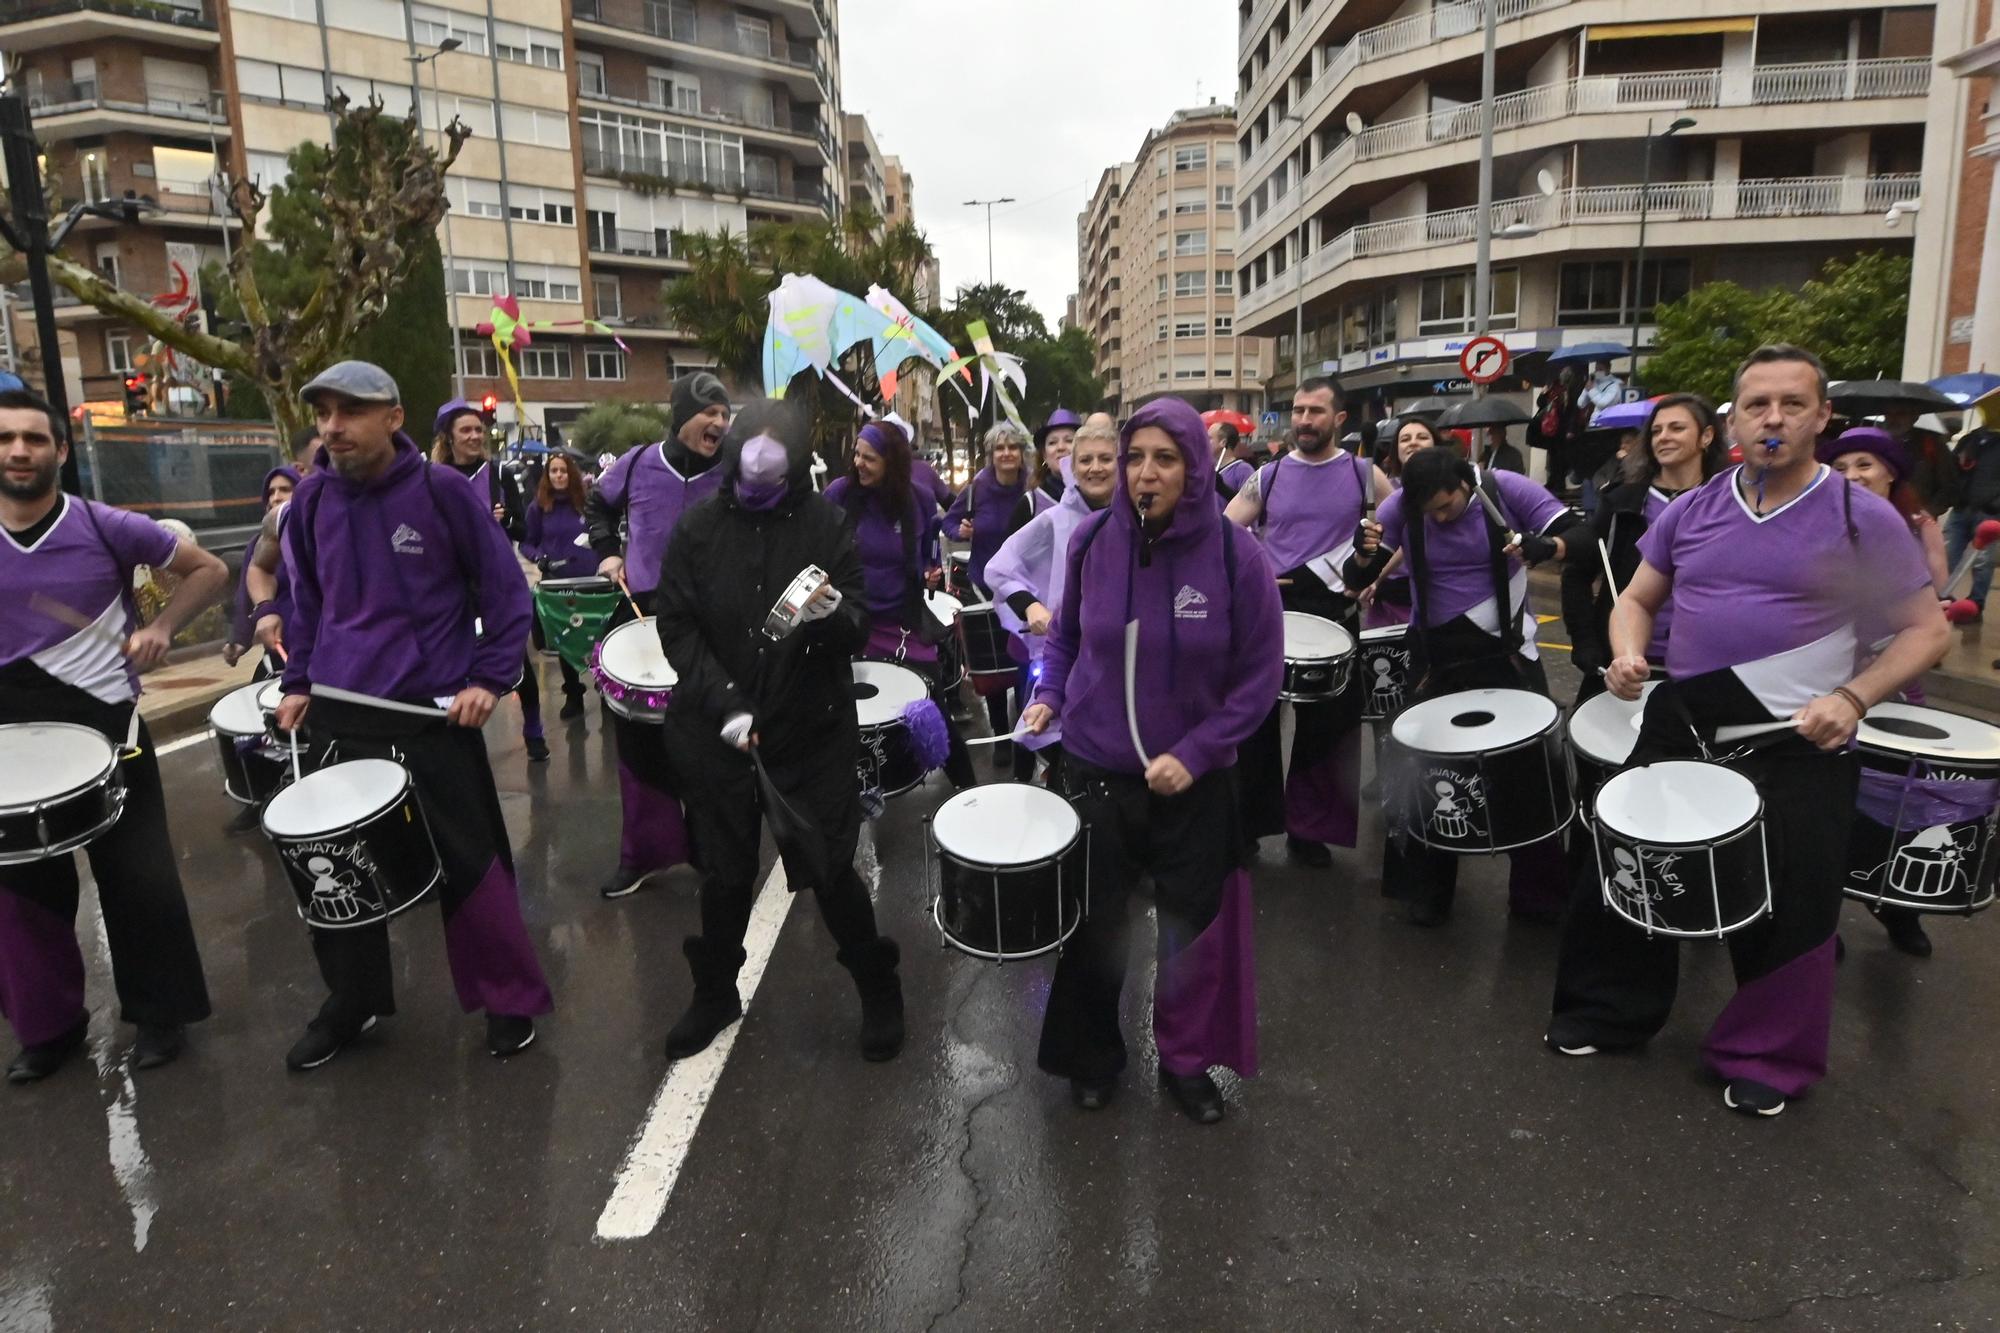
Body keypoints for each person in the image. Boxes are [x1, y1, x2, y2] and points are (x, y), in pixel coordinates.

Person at [1546, 345, 1949, 1118]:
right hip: (1685, 718)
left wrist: (1855, 699)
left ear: (1822, 417)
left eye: (1792, 404)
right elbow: (1635, 597)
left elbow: (1925, 632)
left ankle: (1766, 1051)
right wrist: (1628, 649)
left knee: (1793, 898)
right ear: (1733, 417)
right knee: (1630, 863)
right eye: (1757, 403)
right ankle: (1607, 1010)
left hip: (1800, 732)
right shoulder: (1694, 509)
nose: (1773, 418)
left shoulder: (1859, 514)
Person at [274, 361, 554, 1069]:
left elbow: (505, 590)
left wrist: (491, 678)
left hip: (434, 719)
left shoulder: (444, 493)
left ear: (393, 416)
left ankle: (507, 997)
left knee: (473, 865)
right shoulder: (307, 504)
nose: (333, 426)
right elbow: (305, 604)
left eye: (350, 411)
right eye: (324, 413)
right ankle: (354, 999)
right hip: (343, 716)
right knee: (336, 872)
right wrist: (298, 680)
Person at [1020, 396, 1283, 1123]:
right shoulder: (1094, 541)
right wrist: (1048, 693)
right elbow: (1067, 637)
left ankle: (1186, 1061)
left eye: (1164, 458)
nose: (1145, 473)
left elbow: (1260, 679)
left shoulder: (1237, 557)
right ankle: (1093, 1056)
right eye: (1135, 457)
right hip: (1097, 768)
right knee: (1096, 926)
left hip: (1192, 783)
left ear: (1195, 467)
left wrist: (1197, 753)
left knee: (1189, 931)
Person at [653, 399, 905, 1062]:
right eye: (753, 439)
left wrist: (829, 614)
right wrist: (726, 702)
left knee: (828, 866)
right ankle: (714, 992)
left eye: (778, 441)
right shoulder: (698, 528)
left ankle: (878, 984)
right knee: (725, 871)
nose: (763, 452)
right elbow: (676, 624)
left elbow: (858, 621)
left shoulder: (827, 526)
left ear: (796, 456)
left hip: (810, 725)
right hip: (719, 726)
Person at [0, 388, 225, 1081]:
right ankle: (50, 1026)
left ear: (59, 451)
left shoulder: (104, 524)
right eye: (6, 438)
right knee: (19, 895)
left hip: (107, 725)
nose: (18, 451)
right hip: (12, 736)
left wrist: (160, 628)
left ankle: (160, 1015)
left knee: (138, 878)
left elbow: (210, 570)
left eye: (34, 439)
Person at [1344, 446, 1583, 928]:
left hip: (1508, 652)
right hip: (1435, 654)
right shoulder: (1401, 507)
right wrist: (1363, 553)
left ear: (1466, 484)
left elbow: (1579, 535)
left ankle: (1538, 895)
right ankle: (1424, 892)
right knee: (1420, 770)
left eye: (1445, 506)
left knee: (1528, 774)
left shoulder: (1504, 489)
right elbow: (1356, 578)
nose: (1437, 517)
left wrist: (1545, 547)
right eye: (1426, 510)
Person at [1224, 377, 1393, 869]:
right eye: (1298, 410)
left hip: (1334, 612)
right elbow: (1227, 530)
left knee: (1328, 729)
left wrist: (1375, 574)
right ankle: (1249, 827)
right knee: (1252, 722)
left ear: (1338, 418)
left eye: (1316, 412)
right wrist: (1253, 573)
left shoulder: (1366, 475)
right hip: (1271, 610)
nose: (1303, 420)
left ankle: (1309, 829)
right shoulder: (1270, 475)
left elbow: (1400, 533)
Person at [581, 372, 729, 898]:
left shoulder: (736, 470)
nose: (718, 421)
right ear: (680, 414)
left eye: (723, 413)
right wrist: (607, 550)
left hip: (714, 623)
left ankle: (715, 852)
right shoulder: (639, 462)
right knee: (641, 745)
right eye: (707, 411)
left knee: (713, 744)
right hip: (644, 613)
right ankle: (644, 853)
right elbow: (598, 504)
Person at [1823, 424, 1954, 960]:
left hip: (1897, 686)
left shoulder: (1918, 527)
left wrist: (1914, 639)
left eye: (1865, 465)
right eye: (1843, 466)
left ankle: (1898, 905)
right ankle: (1820, 921)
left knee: (1904, 802)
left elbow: (1932, 608)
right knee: (1830, 810)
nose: (1853, 475)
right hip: (1830, 681)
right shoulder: (1821, 522)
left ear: (1891, 472)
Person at [823, 420, 975, 791]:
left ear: (892, 462)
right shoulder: (839, 494)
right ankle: (852, 799)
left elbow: (926, 554)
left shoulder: (920, 499)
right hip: (851, 625)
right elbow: (816, 548)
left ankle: (969, 793)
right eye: (856, 454)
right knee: (846, 718)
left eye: (869, 457)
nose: (859, 462)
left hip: (904, 624)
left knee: (933, 710)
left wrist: (928, 571)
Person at [1561, 394, 1726, 702]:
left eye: (1676, 428)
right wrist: (1584, 641)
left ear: (1706, 436)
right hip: (1626, 666)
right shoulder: (1622, 500)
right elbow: (1578, 571)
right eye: (1656, 431)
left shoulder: (1729, 502)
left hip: (1705, 667)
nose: (1664, 437)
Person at [984, 419, 1120, 781]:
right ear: (1072, 468)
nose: (1095, 468)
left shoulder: (1138, 519)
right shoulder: (1055, 520)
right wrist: (1032, 605)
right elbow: (999, 567)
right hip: (1068, 658)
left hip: (1124, 663)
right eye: (1085, 459)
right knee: (1063, 752)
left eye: (1105, 458)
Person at [522, 449, 594, 722]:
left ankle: (604, 686)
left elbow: (602, 532)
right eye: (554, 471)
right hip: (557, 582)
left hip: (591, 582)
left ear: (571, 473)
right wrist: (540, 558)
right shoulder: (538, 507)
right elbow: (527, 543)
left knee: (594, 637)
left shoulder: (586, 503)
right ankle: (573, 693)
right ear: (547, 475)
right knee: (565, 639)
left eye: (563, 470)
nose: (559, 475)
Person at [224, 464, 298, 673]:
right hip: (279, 656)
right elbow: (245, 598)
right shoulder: (258, 545)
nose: (276, 497)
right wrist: (239, 639)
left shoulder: (315, 537)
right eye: (271, 492)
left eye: (285, 490)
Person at [1946, 420, 2000, 619]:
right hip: (1961, 507)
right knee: (1948, 556)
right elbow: (1952, 470)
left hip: (1989, 512)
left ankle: (1975, 606)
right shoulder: (1970, 439)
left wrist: (1995, 503)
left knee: (1982, 563)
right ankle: (1942, 598)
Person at [1007, 408, 1080, 534]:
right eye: (1052, 442)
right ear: (1044, 455)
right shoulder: (1029, 504)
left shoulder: (1097, 498)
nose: (1061, 447)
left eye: (1069, 441)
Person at [1531, 368, 1577, 488]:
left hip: (1561, 428)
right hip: (1553, 428)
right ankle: (1553, 480)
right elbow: (1540, 403)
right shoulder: (1553, 388)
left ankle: (1558, 481)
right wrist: (1544, 392)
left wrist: (1570, 429)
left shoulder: (1569, 391)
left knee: (1559, 456)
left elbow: (1572, 411)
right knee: (1553, 455)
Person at [1211, 421, 1256, 503]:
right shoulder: (1208, 468)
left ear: (1223, 442)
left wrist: (1222, 488)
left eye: (1209, 438)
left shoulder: (1243, 470)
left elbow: (1249, 504)